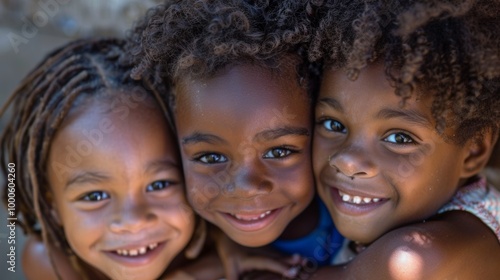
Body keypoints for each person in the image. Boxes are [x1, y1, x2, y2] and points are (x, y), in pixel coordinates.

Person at [128, 0, 344, 278]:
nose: (246, 187)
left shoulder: (364, 206)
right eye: (211, 157)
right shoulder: (174, 240)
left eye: (279, 152)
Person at [307, 0, 500, 278]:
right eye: (332, 124)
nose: (347, 161)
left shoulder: (432, 253)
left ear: (473, 151)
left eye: (398, 138)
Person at [0, 38, 218, 280]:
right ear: (52, 206)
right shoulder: (51, 265)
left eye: (159, 184)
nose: (133, 221)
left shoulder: (233, 239)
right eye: (94, 196)